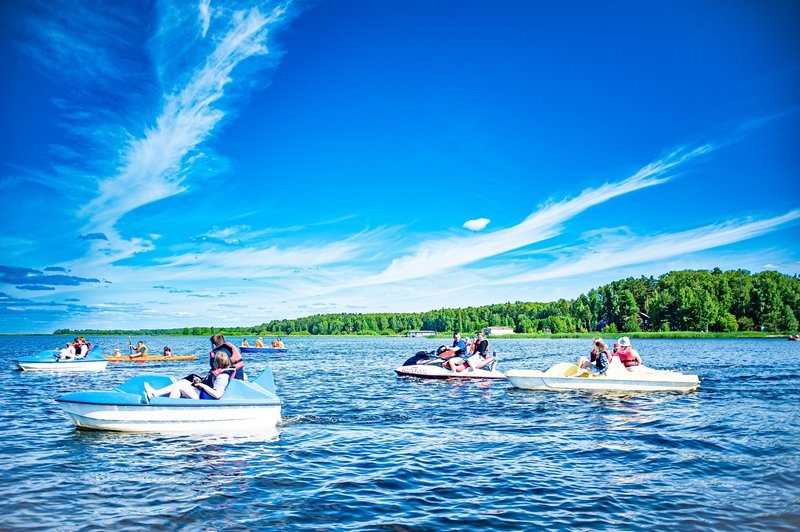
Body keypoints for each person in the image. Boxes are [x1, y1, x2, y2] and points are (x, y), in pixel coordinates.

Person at [144, 351, 232, 400]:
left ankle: (162, 399)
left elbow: (217, 395)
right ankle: (157, 394)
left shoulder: (222, 376)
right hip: (205, 394)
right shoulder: (220, 373)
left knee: (180, 386)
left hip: (206, 398)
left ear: (217, 363)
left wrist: (202, 385)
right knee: (183, 382)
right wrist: (199, 382)